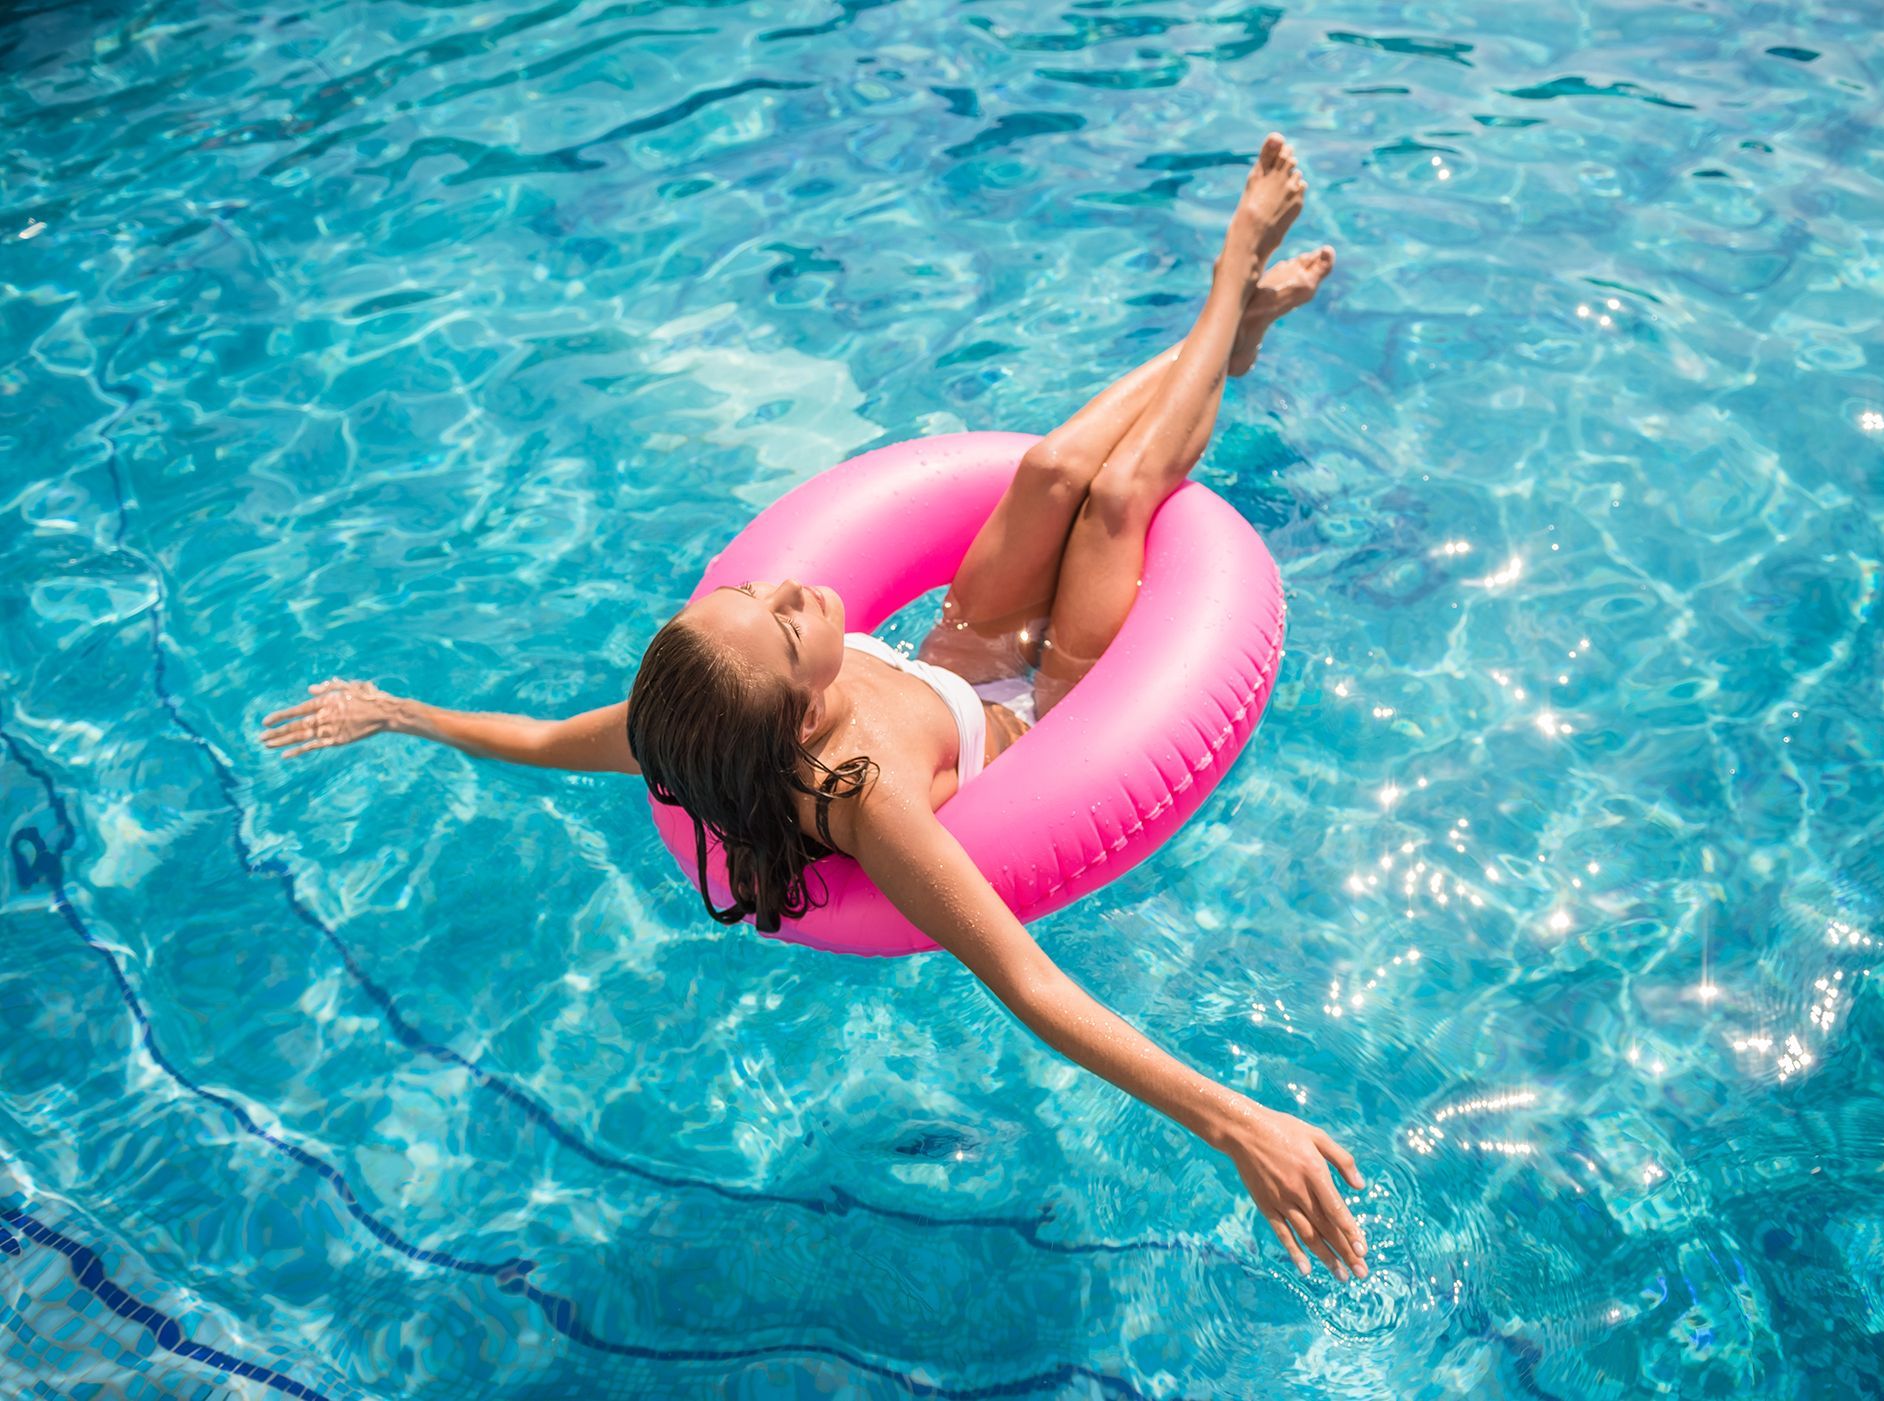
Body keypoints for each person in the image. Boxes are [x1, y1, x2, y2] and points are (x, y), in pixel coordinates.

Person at [260, 133, 1368, 1283]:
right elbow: (1029, 986)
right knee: (1118, 501)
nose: (791, 583)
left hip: (955, 657)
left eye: (756, 591)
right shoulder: (864, 796)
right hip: (1047, 709)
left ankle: (1228, 331)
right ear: (797, 716)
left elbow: (542, 740)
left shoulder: (698, 725)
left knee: (1046, 472)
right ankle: (1231, 281)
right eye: (788, 621)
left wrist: (402, 710)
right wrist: (1236, 1123)